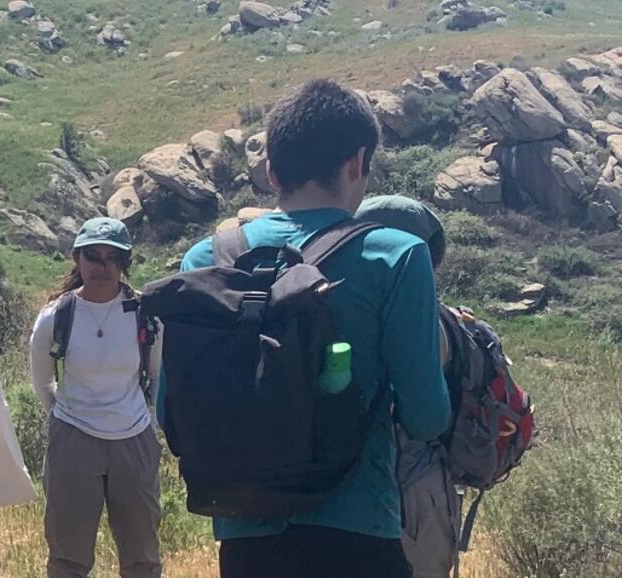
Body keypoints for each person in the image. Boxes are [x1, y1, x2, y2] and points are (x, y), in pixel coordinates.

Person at [171, 79, 450, 578]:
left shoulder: (207, 260)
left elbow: (170, 410)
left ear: (273, 171)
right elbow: (428, 417)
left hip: (246, 537)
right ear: (357, 162)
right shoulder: (397, 256)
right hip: (359, 531)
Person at [30, 217, 163, 578]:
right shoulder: (55, 317)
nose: (102, 267)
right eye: (93, 256)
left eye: (112, 258)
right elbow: (42, 380)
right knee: (68, 557)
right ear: (77, 258)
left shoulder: (146, 316)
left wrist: (140, 415)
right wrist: (65, 416)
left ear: (125, 262)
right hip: (74, 439)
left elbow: (154, 374)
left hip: (133, 438)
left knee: (142, 557)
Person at [351, 195, 462, 578]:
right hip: (424, 490)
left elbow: (423, 416)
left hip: (402, 490)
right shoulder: (438, 319)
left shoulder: (426, 325)